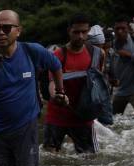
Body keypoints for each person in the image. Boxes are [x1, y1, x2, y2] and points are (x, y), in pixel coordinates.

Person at [0, 9, 67, 166]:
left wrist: (60, 92)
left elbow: (56, 65)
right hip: (0, 129)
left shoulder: (31, 51)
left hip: (26, 126)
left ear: (18, 31)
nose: (1, 32)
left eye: (6, 28)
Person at [43, 14, 105, 155]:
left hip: (83, 117)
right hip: (57, 116)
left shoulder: (97, 54)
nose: (81, 36)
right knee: (49, 158)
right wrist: (56, 95)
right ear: (69, 31)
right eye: (76, 32)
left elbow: (98, 83)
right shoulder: (58, 56)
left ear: (89, 31)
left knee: (91, 161)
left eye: (84, 32)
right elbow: (52, 82)